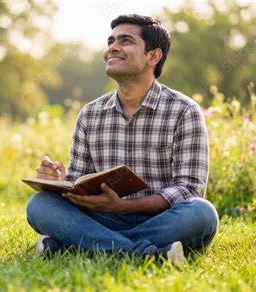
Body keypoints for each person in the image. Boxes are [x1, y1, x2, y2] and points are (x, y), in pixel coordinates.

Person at [26, 14, 219, 264]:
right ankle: (145, 253)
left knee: (202, 214)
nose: (112, 48)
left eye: (125, 41)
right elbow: (79, 183)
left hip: (162, 219)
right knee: (40, 204)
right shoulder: (90, 114)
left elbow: (189, 189)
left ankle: (81, 244)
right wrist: (60, 183)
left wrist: (124, 207)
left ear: (153, 56)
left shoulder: (184, 110)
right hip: (100, 217)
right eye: (111, 41)